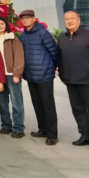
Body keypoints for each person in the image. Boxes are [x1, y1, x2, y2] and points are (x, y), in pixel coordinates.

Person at [58, 11, 89, 152]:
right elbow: (59, 59)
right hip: (70, 81)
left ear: (78, 20)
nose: (69, 21)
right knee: (78, 110)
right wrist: (63, 75)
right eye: (67, 19)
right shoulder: (62, 38)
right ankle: (85, 135)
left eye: (72, 18)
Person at [19, 10, 59, 145]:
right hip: (31, 75)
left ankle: (52, 135)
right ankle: (43, 129)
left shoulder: (43, 33)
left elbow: (54, 52)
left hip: (44, 75)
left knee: (48, 106)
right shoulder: (23, 36)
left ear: (34, 19)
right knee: (37, 104)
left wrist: (51, 67)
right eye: (23, 18)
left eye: (28, 18)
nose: (25, 20)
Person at [0, 16, 26, 139]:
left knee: (16, 102)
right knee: (2, 102)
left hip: (11, 75)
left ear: (6, 25)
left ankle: (19, 128)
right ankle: (6, 125)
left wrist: (16, 74)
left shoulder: (12, 39)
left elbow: (19, 57)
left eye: (2, 24)